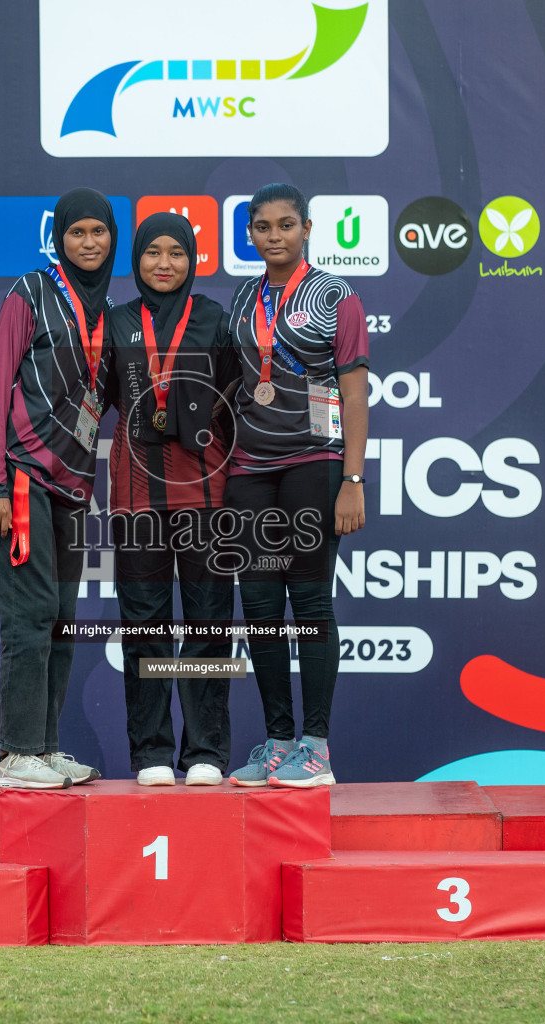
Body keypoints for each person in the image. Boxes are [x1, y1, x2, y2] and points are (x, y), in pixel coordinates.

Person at [221, 183, 368, 789]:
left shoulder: (337, 295)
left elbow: (354, 391)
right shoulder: (242, 296)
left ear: (307, 228)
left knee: (308, 604)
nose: (274, 235)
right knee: (258, 607)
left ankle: (316, 747)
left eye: (286, 224)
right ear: (249, 234)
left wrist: (353, 479)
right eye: (262, 226)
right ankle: (278, 742)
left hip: (314, 462)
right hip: (248, 468)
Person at [0, 188, 117, 790]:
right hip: (21, 476)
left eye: (99, 232)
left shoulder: (108, 314)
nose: (89, 243)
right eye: (77, 232)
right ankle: (15, 755)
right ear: (59, 238)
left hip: (71, 488)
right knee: (29, 618)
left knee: (61, 620)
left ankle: (45, 748)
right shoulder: (30, 293)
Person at [104, 213, 235, 786]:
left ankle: (206, 751)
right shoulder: (115, 322)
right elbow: (98, 396)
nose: (164, 263)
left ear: (192, 260)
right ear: (136, 260)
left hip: (206, 491)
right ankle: (151, 752)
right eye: (152, 252)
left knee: (208, 623)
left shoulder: (214, 319)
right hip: (135, 495)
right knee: (145, 626)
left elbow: (237, 399)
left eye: (176, 253)